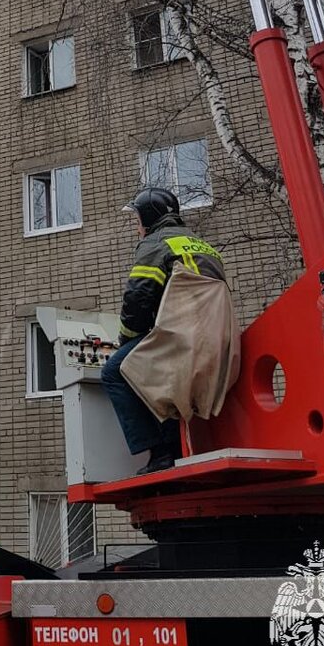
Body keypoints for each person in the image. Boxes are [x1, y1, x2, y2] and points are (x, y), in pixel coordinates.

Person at [101, 187, 226, 475]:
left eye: (136, 220)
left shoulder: (156, 244)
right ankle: (178, 447)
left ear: (147, 218)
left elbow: (139, 295)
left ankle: (159, 453)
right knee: (155, 367)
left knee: (117, 371)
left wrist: (127, 338)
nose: (136, 228)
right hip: (215, 339)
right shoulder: (202, 244)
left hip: (180, 335)